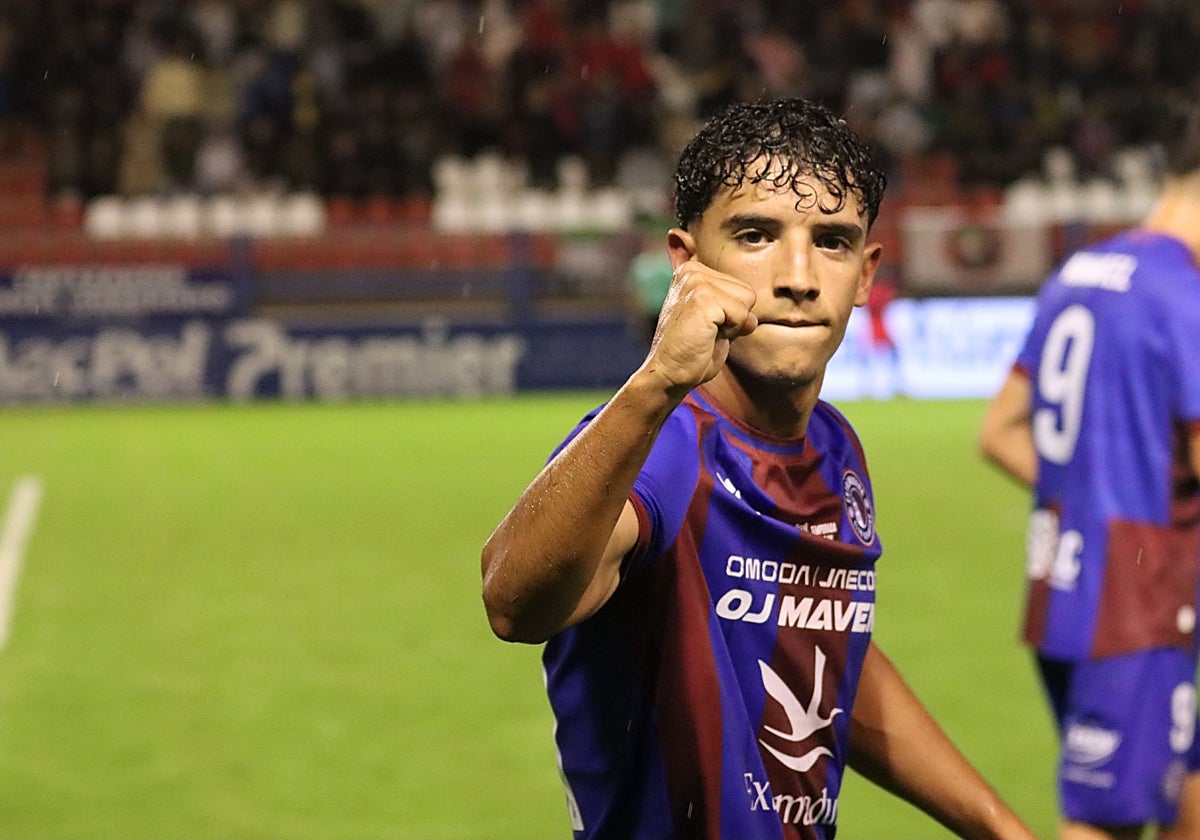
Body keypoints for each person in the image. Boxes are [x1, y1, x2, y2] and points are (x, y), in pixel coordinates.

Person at [481, 97, 1034, 840]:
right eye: (755, 234)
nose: (799, 277)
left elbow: (826, 652)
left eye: (832, 242)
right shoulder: (662, 444)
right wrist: (651, 385)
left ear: (867, 273)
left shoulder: (835, 451)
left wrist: (1001, 828)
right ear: (686, 262)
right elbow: (513, 601)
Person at [978, 97, 1200, 840]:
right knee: (1102, 817)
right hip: (1140, 601)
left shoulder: (1081, 270)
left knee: (1182, 782)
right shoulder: (1185, 295)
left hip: (1064, 585)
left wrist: (1086, 502)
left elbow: (999, 430)